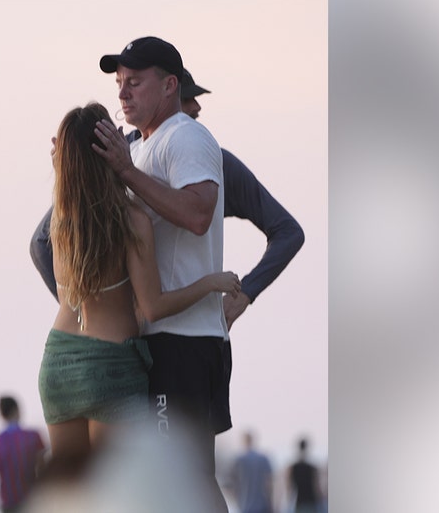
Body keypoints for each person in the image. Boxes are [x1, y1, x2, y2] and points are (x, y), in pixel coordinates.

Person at [30, 68, 305, 435]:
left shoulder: (212, 162)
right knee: (160, 479)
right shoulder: (115, 155)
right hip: (133, 348)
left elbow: (287, 231)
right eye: (187, 110)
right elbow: (44, 241)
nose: (190, 120)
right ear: (169, 98)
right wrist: (91, 302)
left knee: (170, 476)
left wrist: (247, 293)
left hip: (175, 344)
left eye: (193, 116)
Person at [37, 102, 241, 462]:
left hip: (58, 363)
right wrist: (210, 282)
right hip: (111, 365)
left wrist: (64, 167)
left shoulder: (60, 221)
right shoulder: (130, 219)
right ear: (109, 151)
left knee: (71, 493)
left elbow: (72, 189)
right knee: (119, 493)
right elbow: (154, 306)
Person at [89, 36, 229, 510]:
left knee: (183, 480)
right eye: (119, 84)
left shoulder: (185, 137)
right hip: (162, 337)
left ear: (170, 85)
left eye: (135, 83)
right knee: (181, 480)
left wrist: (126, 173)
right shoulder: (144, 147)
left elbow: (197, 214)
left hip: (183, 339)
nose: (124, 94)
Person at [0, 396, 46, 513]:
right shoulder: (33, 436)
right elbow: (43, 471)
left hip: (8, 504)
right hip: (31, 502)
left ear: (2, 414)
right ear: (17, 410)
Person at [229, 431, 274, 513]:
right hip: (262, 505)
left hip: (245, 505)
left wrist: (236, 499)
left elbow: (232, 483)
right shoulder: (263, 458)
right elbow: (269, 483)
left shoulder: (239, 460)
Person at [288, 437, 323, 513]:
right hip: (311, 501)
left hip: (299, 501)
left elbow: (290, 488)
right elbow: (317, 487)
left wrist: (289, 502)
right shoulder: (312, 467)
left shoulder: (293, 467)